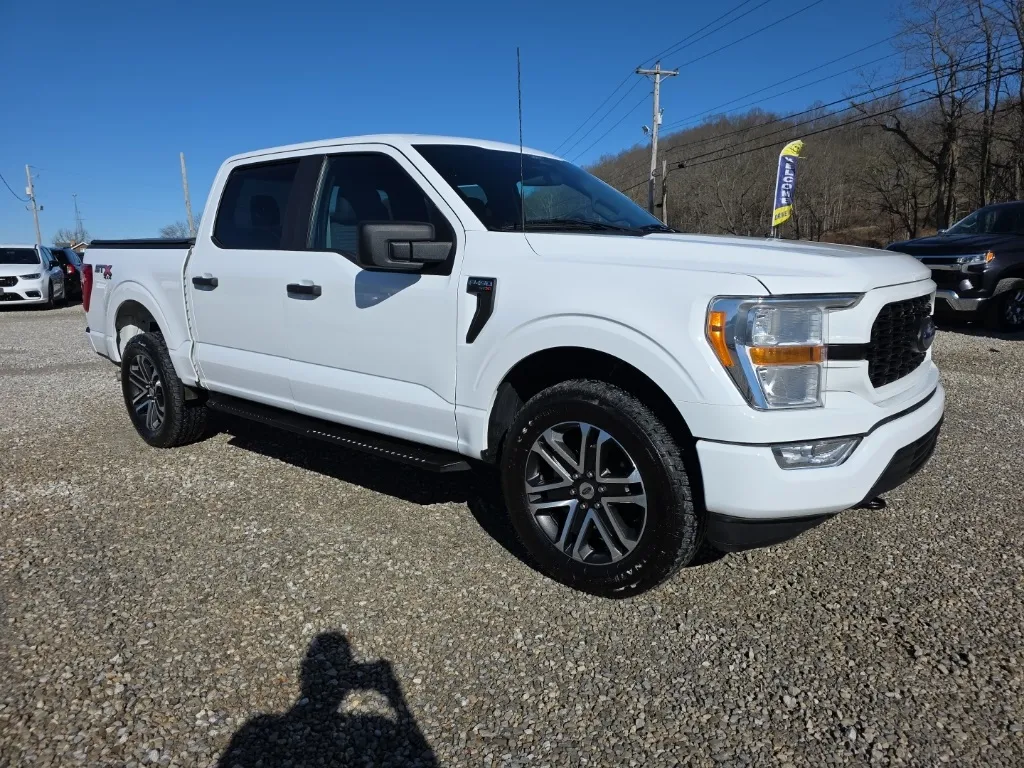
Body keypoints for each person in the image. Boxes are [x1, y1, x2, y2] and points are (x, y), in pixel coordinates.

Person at [217, 632, 437, 767]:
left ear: (304, 671)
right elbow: (423, 750)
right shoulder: (382, 724)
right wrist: (396, 697)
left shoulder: (255, 729)